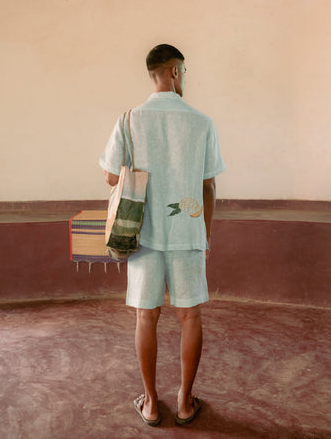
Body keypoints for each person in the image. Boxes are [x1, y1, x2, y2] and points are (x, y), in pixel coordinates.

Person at [99, 44, 225, 426]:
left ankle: (151, 403)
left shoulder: (129, 120)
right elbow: (208, 186)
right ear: (173, 71)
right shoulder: (201, 121)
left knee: (145, 317)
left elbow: (109, 175)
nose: (184, 77)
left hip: (144, 234)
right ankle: (185, 402)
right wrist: (204, 234)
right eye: (183, 71)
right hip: (186, 232)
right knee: (190, 317)